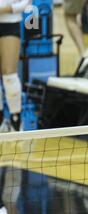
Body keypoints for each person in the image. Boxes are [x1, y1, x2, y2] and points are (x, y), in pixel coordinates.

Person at [0, 0, 30, 132]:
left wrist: (7, 9)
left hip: (10, 23)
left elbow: (27, 3)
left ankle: (15, 122)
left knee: (9, 73)